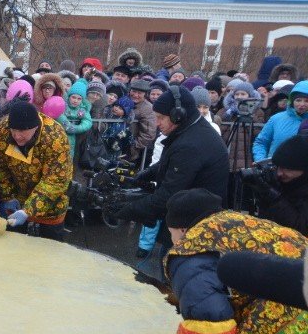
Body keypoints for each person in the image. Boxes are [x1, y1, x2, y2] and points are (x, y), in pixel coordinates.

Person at [162, 188, 308, 334]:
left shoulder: (190, 249)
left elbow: (211, 329)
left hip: (289, 330)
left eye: (170, 232)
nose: (173, 240)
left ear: (182, 229)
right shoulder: (239, 221)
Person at [107, 86, 230, 250]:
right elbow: (169, 163)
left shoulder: (191, 144)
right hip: (188, 217)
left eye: (160, 118)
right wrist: (142, 176)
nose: (157, 124)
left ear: (178, 116)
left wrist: (127, 209)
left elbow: (167, 196)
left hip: (193, 227)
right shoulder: (191, 130)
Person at [0, 100, 73, 240]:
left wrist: (29, 210)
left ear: (35, 127)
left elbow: (55, 180)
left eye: (22, 131)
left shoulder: (55, 137)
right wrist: (7, 196)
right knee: (14, 248)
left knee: (50, 250)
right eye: (13, 130)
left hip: (50, 204)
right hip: (16, 202)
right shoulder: (0, 131)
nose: (16, 135)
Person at [247, 135, 308, 236]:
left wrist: (274, 197)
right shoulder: (283, 181)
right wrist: (262, 191)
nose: (279, 173)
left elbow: (301, 229)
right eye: (278, 167)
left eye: (287, 169)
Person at [252, 80, 308, 162]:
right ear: (292, 101)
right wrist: (261, 161)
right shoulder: (276, 119)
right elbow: (261, 142)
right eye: (298, 100)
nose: (302, 104)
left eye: (307, 101)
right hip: (276, 169)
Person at [127, 79, 157, 165]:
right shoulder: (125, 101)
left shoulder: (148, 108)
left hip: (131, 150)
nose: (136, 95)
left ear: (145, 94)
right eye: (134, 91)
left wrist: (133, 146)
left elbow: (148, 133)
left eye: (139, 93)